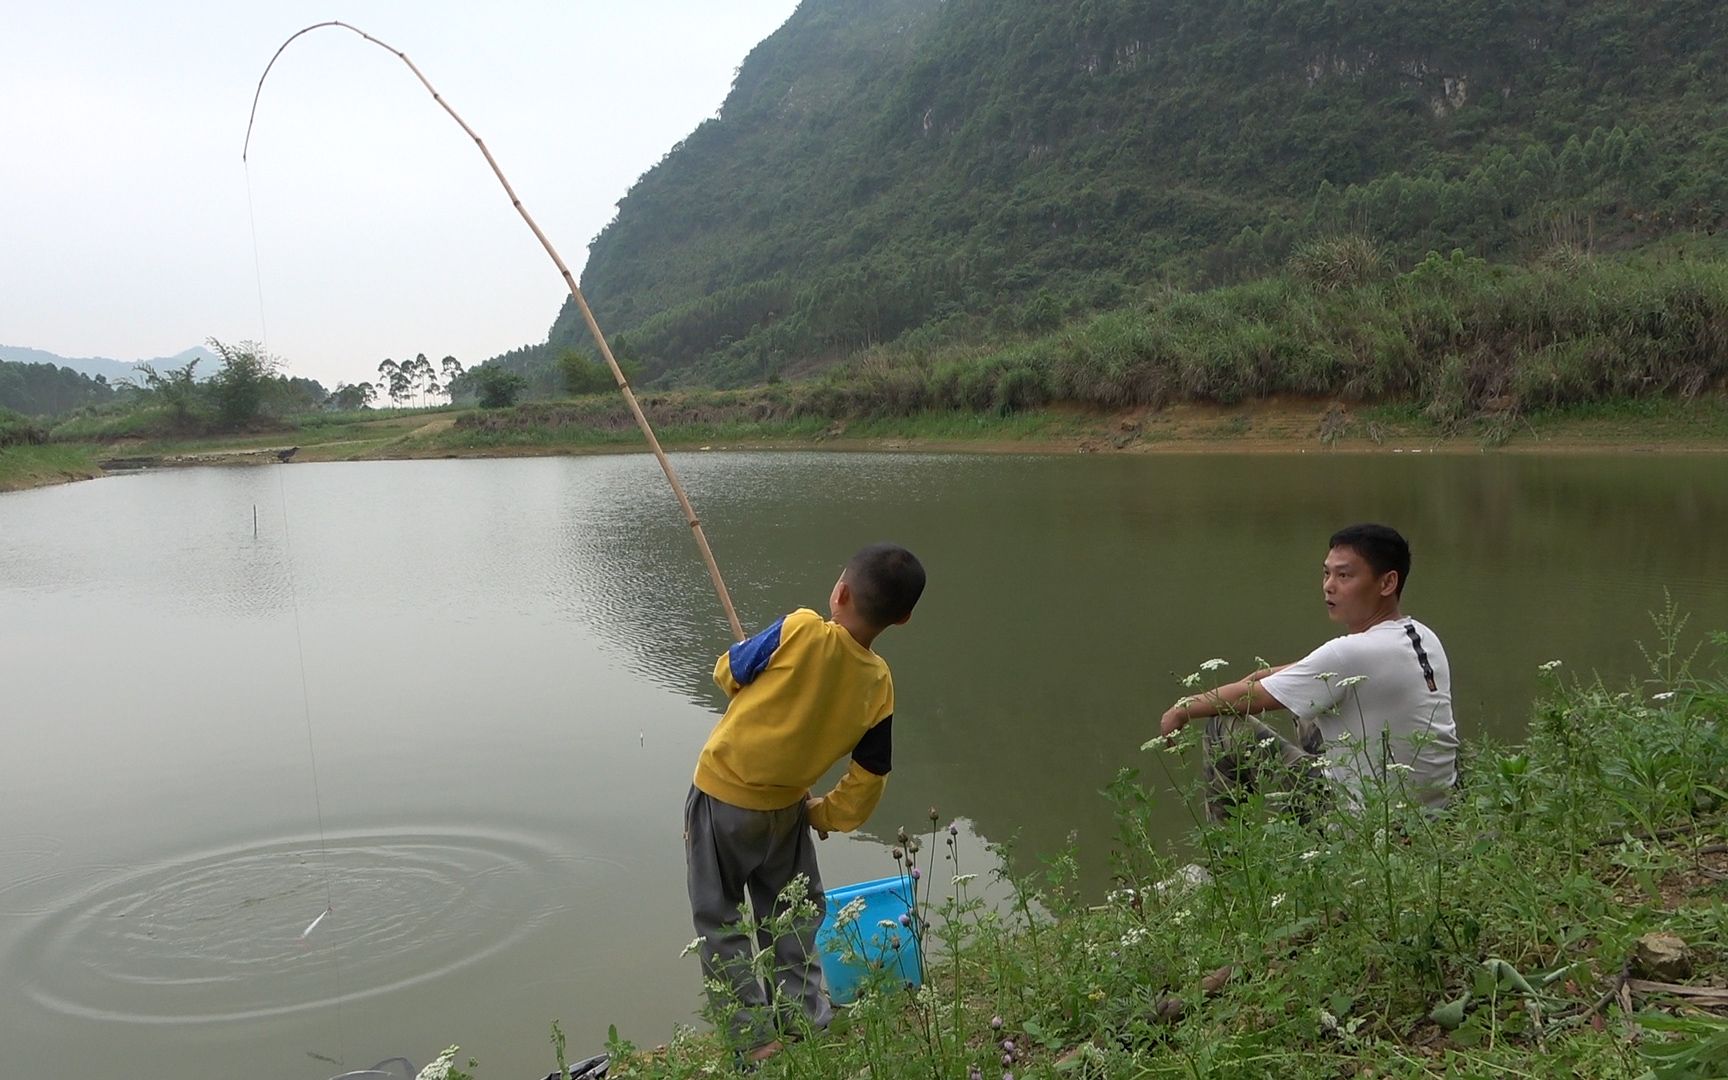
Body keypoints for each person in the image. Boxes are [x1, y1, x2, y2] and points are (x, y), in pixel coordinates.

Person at [685, 543, 926, 1064]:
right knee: (792, 917)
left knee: (720, 919)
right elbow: (871, 773)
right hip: (790, 811)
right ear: (902, 619)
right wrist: (826, 812)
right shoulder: (878, 684)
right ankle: (803, 1019)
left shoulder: (799, 628)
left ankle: (754, 1043)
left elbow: (727, 672)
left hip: (721, 797)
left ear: (839, 592)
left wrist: (746, 663)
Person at [1159, 523, 1457, 819]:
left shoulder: (1349, 653)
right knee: (1306, 703)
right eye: (1326, 573)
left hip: (1369, 823)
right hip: (1429, 814)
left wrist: (1182, 709)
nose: (1329, 585)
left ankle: (1227, 861)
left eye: (1344, 575)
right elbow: (1301, 674)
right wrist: (1256, 677)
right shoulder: (1421, 635)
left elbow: (1250, 697)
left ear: (1387, 583)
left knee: (1222, 728)